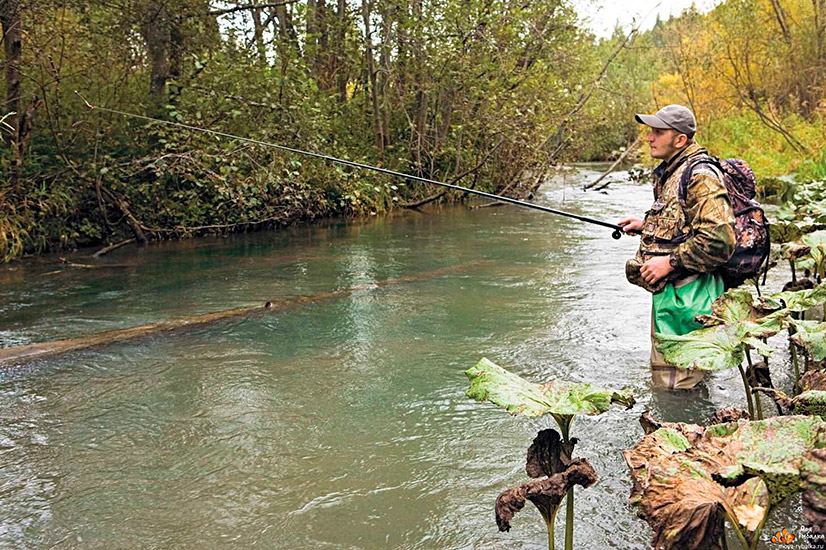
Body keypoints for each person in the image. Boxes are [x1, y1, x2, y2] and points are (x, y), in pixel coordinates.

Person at [618, 104, 736, 390]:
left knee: (677, 387)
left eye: (658, 132)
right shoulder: (676, 170)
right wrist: (646, 224)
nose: (649, 138)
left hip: (689, 294)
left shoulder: (700, 175)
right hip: (673, 295)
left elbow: (719, 239)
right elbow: (682, 221)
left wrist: (669, 263)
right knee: (676, 380)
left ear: (680, 139)